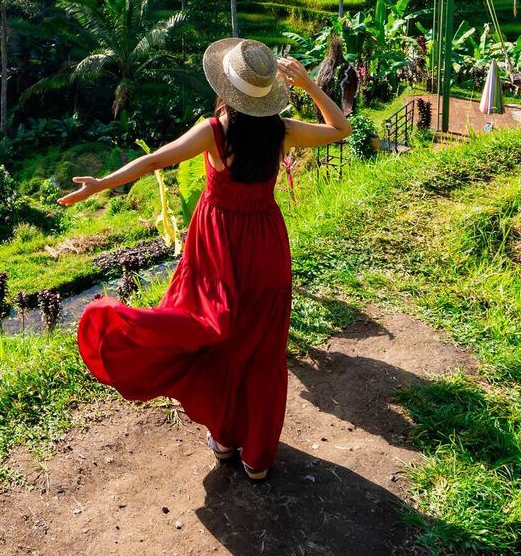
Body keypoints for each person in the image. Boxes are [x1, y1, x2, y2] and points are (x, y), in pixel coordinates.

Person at [60, 37, 351, 481]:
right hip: (267, 246)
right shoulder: (283, 131)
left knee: (216, 338)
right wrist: (310, 85)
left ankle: (226, 437)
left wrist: (100, 184)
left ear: (226, 88)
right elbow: (340, 129)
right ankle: (257, 457)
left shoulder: (214, 131)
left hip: (218, 247)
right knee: (263, 350)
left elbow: (153, 160)